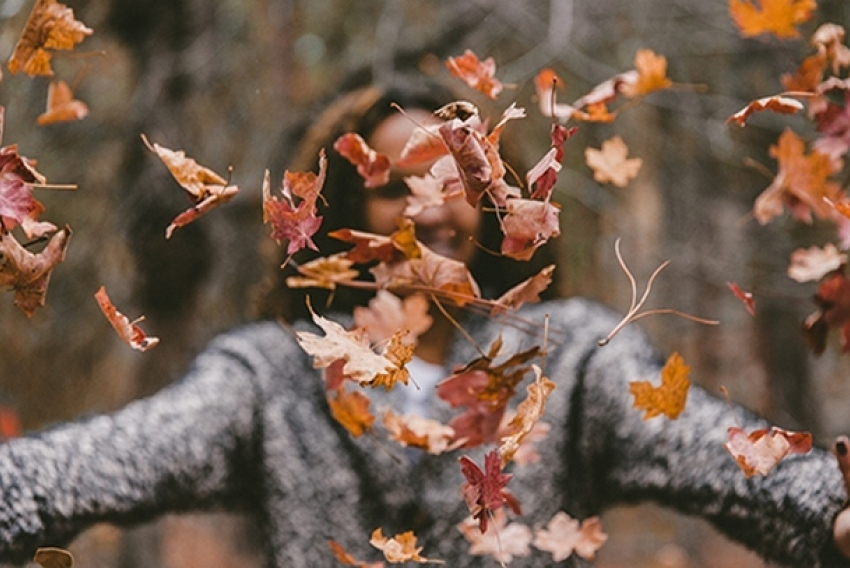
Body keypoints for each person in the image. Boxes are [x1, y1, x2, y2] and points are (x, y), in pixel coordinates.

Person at [1, 74, 850, 568]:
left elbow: (720, 457)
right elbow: (110, 458)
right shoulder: (273, 375)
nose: (429, 209)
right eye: (393, 184)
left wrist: (833, 509)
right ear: (340, 214)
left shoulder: (568, 360)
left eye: (452, 182)